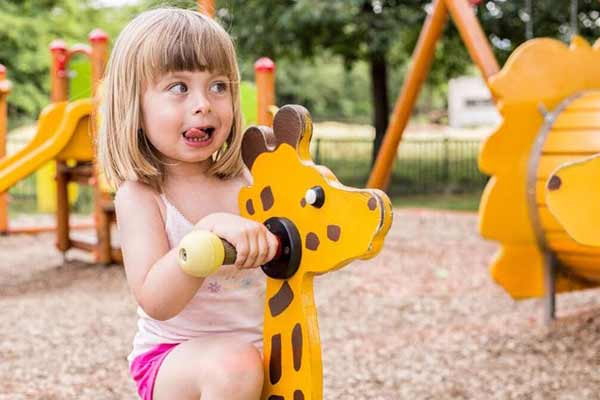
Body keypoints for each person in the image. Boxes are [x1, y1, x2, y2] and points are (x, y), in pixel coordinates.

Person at [98, 7, 279, 400]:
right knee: (235, 366)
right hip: (175, 359)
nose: (204, 103)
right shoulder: (143, 195)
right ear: (134, 106)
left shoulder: (251, 181)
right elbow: (156, 301)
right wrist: (205, 235)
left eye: (218, 86)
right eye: (179, 87)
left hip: (264, 352)